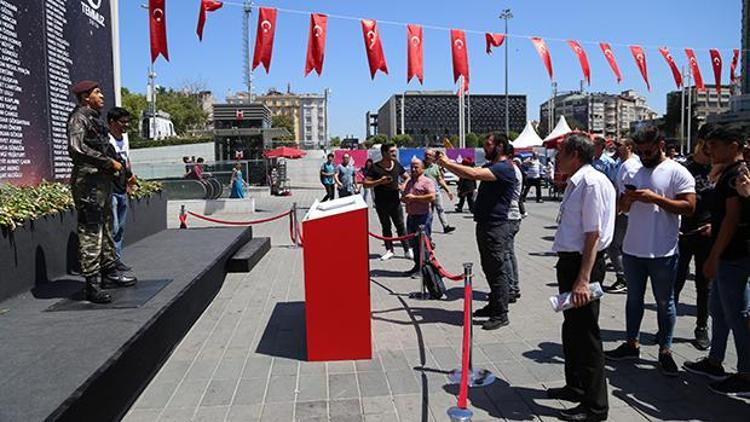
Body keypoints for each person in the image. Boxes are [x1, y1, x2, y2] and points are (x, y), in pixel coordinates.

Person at [605, 126, 696, 377]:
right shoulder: (632, 169)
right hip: (633, 250)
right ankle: (632, 344)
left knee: (665, 303)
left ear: (661, 146)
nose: (644, 156)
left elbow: (689, 208)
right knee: (633, 300)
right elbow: (621, 208)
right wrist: (627, 200)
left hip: (663, 251)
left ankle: (665, 350)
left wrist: (655, 199)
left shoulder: (677, 171)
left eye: (649, 151)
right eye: (641, 151)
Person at [548, 133, 614, 422]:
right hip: (571, 262)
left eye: (561, 152)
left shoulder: (591, 182)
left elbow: (593, 235)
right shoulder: (577, 182)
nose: (556, 157)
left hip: (583, 265)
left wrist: (583, 279)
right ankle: (575, 386)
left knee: (586, 334)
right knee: (572, 329)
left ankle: (595, 406)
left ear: (575, 154)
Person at [684, 123, 750, 396]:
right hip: (727, 252)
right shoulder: (725, 172)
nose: (709, 150)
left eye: (716, 145)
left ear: (733, 147)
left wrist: (714, 255)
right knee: (720, 311)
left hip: (732, 255)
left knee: (737, 316)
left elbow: (732, 219)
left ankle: (745, 374)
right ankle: (715, 360)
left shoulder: (736, 174)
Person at [437, 133, 517, 330]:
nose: (484, 148)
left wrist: (446, 162)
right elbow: (470, 171)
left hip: (496, 227)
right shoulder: (493, 166)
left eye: (488, 145)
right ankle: (494, 305)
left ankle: (501, 313)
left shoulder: (505, 168)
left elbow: (472, 175)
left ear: (500, 146)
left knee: (497, 270)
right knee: (490, 268)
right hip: (487, 225)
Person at [67, 80, 136, 304]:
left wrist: (122, 169)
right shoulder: (79, 118)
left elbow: (105, 148)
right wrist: (108, 162)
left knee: (106, 229)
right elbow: (77, 148)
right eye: (97, 92)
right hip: (88, 183)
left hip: (102, 183)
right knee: (91, 232)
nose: (102, 96)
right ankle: (92, 285)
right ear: (85, 97)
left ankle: (108, 275)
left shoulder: (94, 119)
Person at [674, 125, 715, 351]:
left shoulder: (717, 170)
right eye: (709, 144)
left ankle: (701, 327)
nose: (712, 150)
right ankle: (667, 326)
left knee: (703, 284)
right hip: (682, 234)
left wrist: (714, 223)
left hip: (706, 235)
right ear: (700, 142)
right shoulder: (684, 169)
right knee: (676, 282)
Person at [364, 143, 412, 261]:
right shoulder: (375, 167)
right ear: (384, 153)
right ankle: (389, 250)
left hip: (395, 202)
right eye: (391, 151)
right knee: (386, 227)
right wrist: (380, 181)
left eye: (395, 151)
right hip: (381, 203)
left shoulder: (396, 164)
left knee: (400, 226)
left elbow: (408, 177)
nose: (394, 153)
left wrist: (403, 185)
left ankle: (407, 250)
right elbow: (365, 183)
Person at [604, 139, 640, 293]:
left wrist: (621, 206)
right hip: (624, 212)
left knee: (614, 246)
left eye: (620, 146)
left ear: (629, 147)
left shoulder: (630, 165)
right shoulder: (623, 163)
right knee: (623, 246)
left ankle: (623, 278)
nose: (617, 149)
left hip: (625, 213)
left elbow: (631, 191)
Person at [106, 107, 136, 272]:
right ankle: (108, 262)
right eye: (122, 122)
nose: (126, 125)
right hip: (109, 187)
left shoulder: (124, 138)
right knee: (113, 226)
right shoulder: (106, 139)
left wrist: (130, 181)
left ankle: (116, 259)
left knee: (120, 228)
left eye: (127, 122)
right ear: (112, 122)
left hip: (121, 187)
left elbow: (127, 159)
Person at [401, 158, 436, 276]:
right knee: (414, 243)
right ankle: (417, 266)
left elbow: (432, 197)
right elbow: (406, 196)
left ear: (423, 168)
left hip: (423, 217)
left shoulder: (427, 181)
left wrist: (414, 198)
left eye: (416, 167)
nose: (413, 169)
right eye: (411, 167)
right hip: (411, 216)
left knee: (422, 244)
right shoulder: (410, 181)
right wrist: (404, 198)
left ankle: (424, 269)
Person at [505, 145, 523, 303]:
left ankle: (512, 287)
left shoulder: (511, 170)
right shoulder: (512, 169)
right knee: (508, 253)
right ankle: (513, 286)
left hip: (509, 216)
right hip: (511, 215)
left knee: (506, 254)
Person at [423, 149, 456, 233]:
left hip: (436, 192)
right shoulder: (420, 166)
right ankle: (426, 230)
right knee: (428, 213)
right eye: (426, 155)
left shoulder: (435, 167)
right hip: (426, 194)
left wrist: (448, 191)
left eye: (429, 155)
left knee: (440, 209)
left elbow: (440, 180)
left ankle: (446, 226)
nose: (427, 156)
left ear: (433, 157)